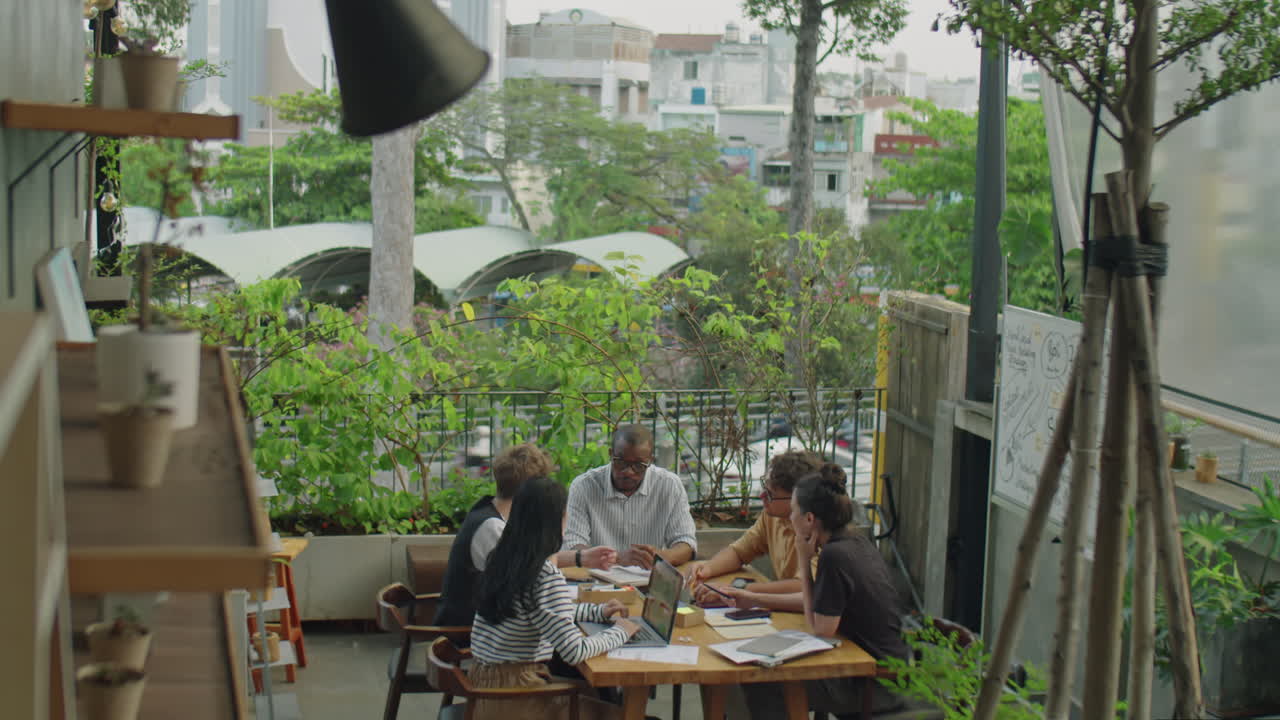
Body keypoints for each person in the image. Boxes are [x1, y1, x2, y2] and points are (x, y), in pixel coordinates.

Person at [742, 466, 910, 718]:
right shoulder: (855, 541)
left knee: (761, 683)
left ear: (809, 519)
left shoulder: (834, 556)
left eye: (794, 511)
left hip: (874, 684)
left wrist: (803, 559)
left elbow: (821, 630)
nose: (790, 517)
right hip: (876, 668)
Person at [470, 476, 640, 720]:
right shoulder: (544, 574)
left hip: (484, 688)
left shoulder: (503, 558)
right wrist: (622, 631)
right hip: (516, 698)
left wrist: (596, 612)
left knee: (594, 693)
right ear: (557, 520)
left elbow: (539, 612)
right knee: (620, 712)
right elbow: (574, 651)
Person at [435, 443, 616, 627]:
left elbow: (528, 562)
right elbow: (529, 583)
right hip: (470, 631)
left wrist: (581, 557)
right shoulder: (493, 528)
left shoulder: (490, 512)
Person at [687, 449, 824, 612]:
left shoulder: (820, 532)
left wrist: (738, 590)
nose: (762, 496)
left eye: (770, 495)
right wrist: (707, 569)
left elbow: (802, 587)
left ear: (797, 499)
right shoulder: (772, 517)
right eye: (764, 488)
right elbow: (740, 551)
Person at [563, 424, 697, 569]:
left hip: (648, 577)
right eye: (621, 462)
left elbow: (686, 543)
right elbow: (574, 545)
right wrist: (617, 558)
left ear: (649, 461)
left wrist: (661, 557)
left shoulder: (669, 485)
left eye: (638, 465)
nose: (628, 472)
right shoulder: (583, 486)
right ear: (610, 454)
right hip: (597, 578)